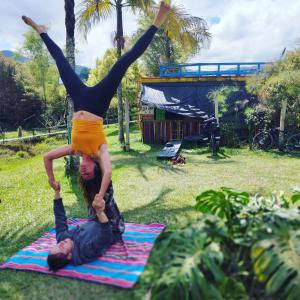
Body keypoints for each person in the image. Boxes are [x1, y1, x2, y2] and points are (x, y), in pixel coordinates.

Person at [22, 1, 171, 203]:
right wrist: (100, 195)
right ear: (96, 168)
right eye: (89, 173)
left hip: (79, 99)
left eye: (82, 174)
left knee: (60, 61)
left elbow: (47, 157)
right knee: (126, 60)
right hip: (99, 102)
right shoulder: (99, 151)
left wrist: (51, 179)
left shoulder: (74, 148)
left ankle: (40, 31)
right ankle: (159, 19)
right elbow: (108, 172)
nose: (84, 170)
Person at [47, 174, 124, 271]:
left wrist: (57, 191)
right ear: (69, 256)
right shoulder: (85, 251)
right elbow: (106, 236)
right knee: (105, 194)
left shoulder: (62, 238)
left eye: (57, 245)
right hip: (113, 227)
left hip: (95, 219)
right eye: (61, 247)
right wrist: (99, 211)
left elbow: (59, 218)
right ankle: (105, 173)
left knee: (91, 189)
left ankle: (96, 170)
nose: (61, 243)